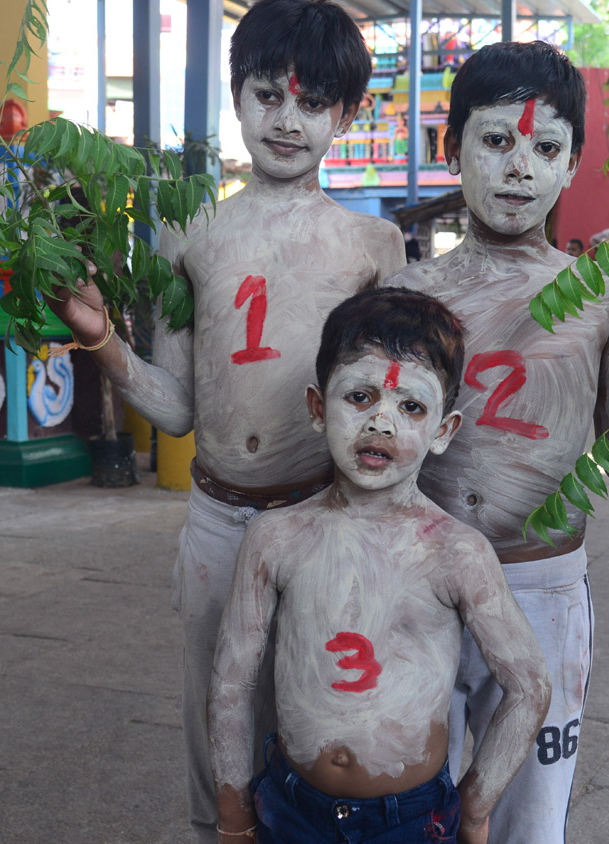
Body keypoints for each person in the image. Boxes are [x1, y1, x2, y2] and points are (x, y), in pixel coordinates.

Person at [47, 0, 405, 843]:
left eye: (314, 103)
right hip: (215, 515)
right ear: (236, 92)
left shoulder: (372, 248)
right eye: (267, 95)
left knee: (313, 701)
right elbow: (175, 410)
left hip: (323, 516)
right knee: (212, 701)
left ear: (346, 115)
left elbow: (392, 412)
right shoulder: (190, 234)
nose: (288, 120)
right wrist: (102, 342)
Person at [387, 41, 609, 843]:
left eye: (545, 148)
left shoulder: (605, 296)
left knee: (529, 817)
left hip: (542, 588)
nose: (519, 168)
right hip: (416, 587)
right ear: (453, 150)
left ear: (573, 163)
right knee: (411, 802)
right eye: (496, 141)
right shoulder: (409, 295)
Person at [209, 288, 552, 844]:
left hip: (413, 822)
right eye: (361, 397)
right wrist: (231, 811)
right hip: (290, 810)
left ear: (444, 430)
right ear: (318, 408)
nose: (382, 423)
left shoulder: (455, 552)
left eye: (410, 407)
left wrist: (476, 805)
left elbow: (531, 685)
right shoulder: (276, 537)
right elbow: (230, 681)